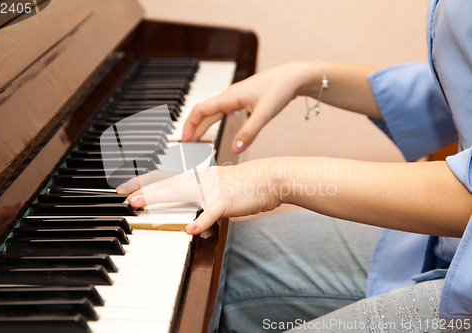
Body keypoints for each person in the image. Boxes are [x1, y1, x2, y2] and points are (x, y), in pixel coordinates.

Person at [117, 0, 472, 331]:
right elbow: (459, 81)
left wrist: (275, 178)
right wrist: (308, 77)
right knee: (209, 264)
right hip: (447, 244)